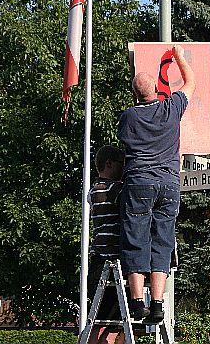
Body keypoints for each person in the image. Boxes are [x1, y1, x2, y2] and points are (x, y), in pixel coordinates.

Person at [117, 44, 196, 324]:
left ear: (135, 94)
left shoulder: (128, 117)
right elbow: (190, 83)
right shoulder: (170, 109)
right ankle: (158, 303)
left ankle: (138, 302)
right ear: (156, 90)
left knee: (135, 238)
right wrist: (179, 58)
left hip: (139, 182)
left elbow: (124, 143)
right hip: (169, 184)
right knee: (163, 240)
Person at [87, 145, 125, 344]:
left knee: (102, 321)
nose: (125, 168)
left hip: (99, 258)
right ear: (109, 164)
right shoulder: (114, 189)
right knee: (109, 321)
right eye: (122, 163)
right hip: (111, 260)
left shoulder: (94, 189)